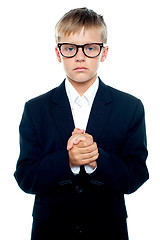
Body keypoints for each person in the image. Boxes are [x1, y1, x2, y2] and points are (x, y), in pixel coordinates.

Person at [14, 7, 149, 240]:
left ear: (103, 53)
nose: (79, 56)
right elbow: (26, 178)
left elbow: (136, 175)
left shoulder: (130, 107)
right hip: (51, 231)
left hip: (108, 230)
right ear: (58, 53)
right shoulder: (35, 109)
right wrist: (67, 160)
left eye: (90, 48)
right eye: (69, 48)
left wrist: (97, 159)